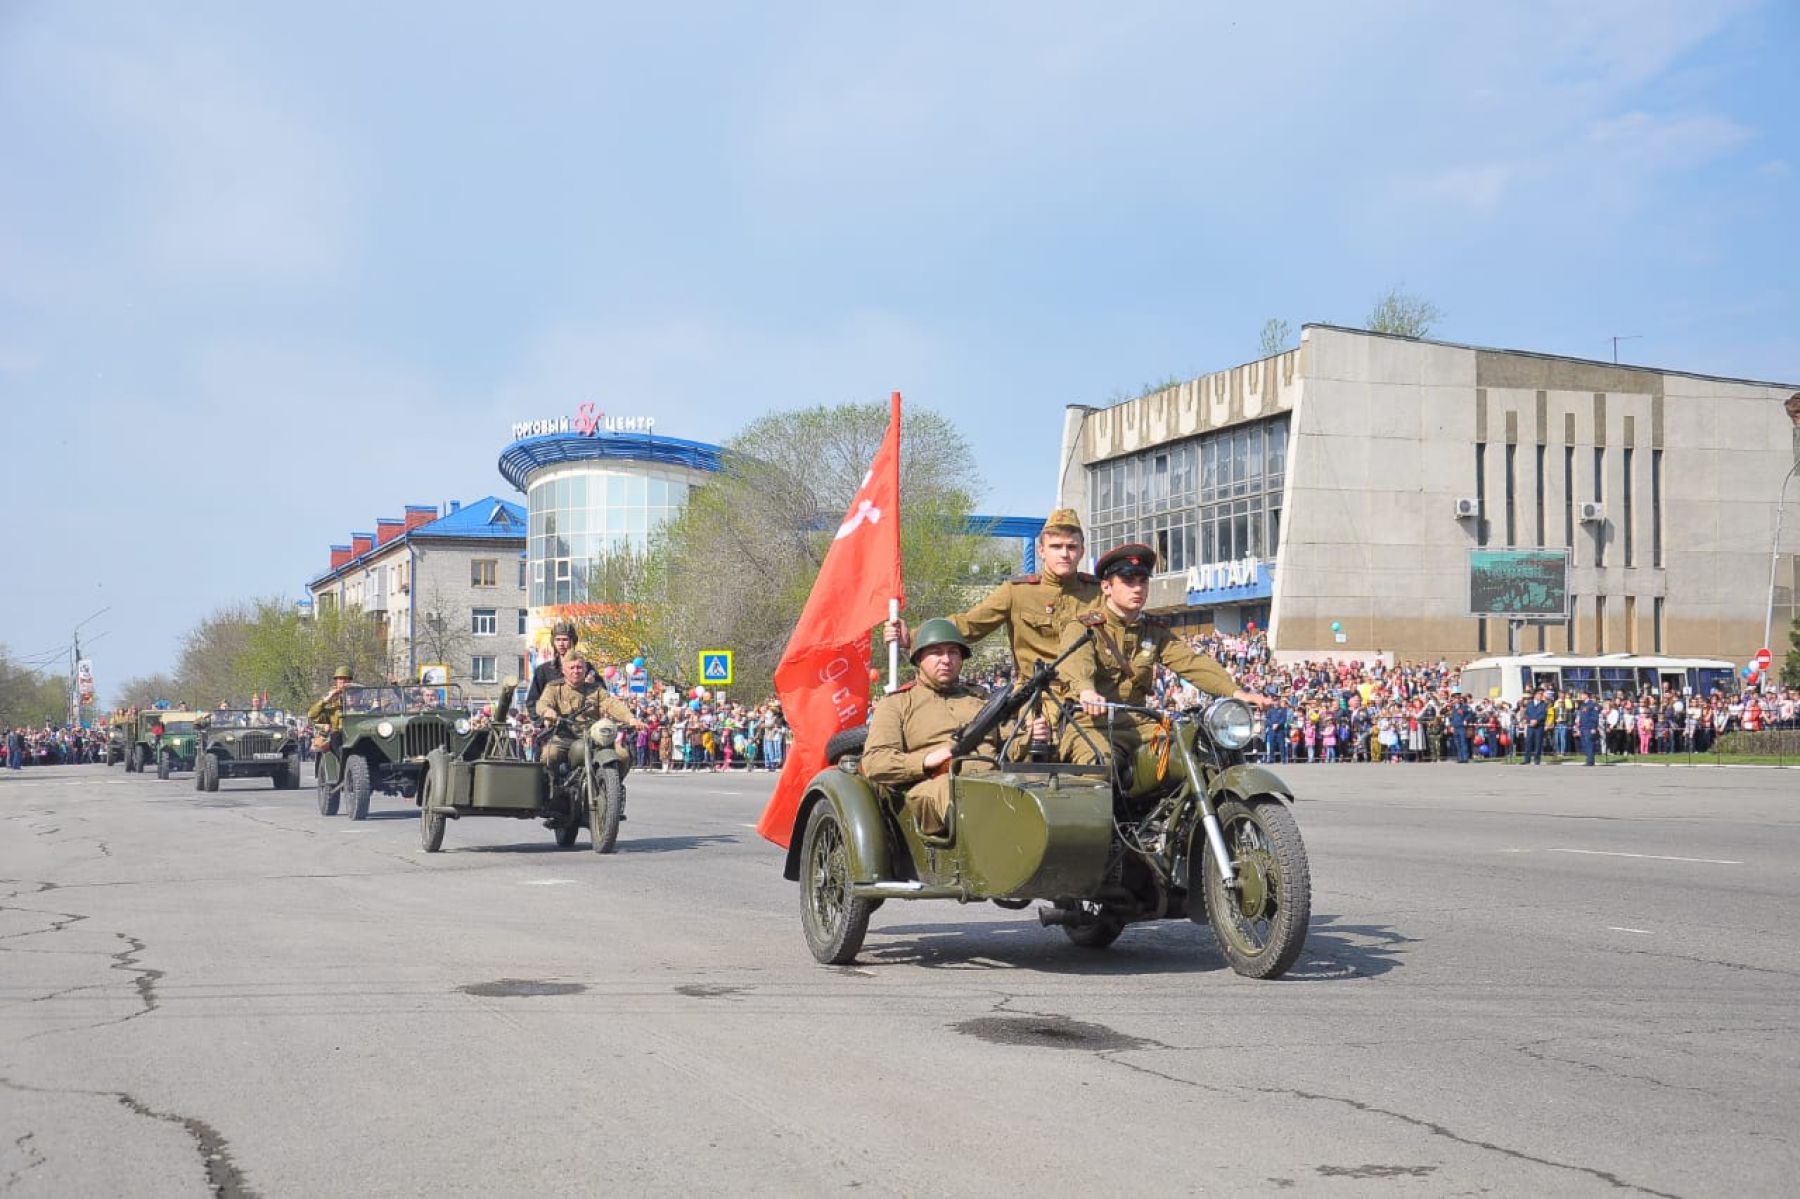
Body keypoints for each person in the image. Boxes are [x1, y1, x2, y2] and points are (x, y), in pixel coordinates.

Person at [1056, 543, 1270, 770]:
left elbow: (1191, 662)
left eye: (1142, 582)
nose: (1137, 589)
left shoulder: (1153, 630)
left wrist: (1236, 692)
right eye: (1128, 582)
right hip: (1090, 725)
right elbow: (1078, 662)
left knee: (1194, 758)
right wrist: (1086, 690)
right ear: (1107, 587)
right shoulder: (1084, 626)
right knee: (1099, 764)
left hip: (1140, 726)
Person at [862, 618, 1048, 837]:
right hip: (934, 787)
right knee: (957, 794)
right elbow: (875, 761)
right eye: (936, 652)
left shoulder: (981, 700)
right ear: (919, 658)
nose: (946, 660)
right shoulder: (897, 703)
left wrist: (1031, 737)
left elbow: (1010, 748)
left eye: (953, 652)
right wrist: (924, 761)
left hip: (992, 782)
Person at [534, 647, 643, 774]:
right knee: (549, 755)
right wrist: (547, 711)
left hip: (594, 737)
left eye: (579, 667)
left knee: (622, 755)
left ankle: (613, 789)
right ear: (564, 670)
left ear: (585, 669)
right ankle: (551, 790)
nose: (576, 671)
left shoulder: (596, 690)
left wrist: (630, 718)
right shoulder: (554, 688)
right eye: (572, 668)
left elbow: (612, 704)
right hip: (564, 738)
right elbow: (542, 703)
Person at [524, 620, 584, 712]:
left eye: (565, 640)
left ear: (572, 641)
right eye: (558, 640)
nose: (561, 644)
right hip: (554, 722)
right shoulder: (544, 670)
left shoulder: (585, 668)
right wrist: (544, 721)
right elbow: (532, 702)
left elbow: (601, 695)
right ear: (553, 642)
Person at [1522, 689, 1548, 765]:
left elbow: (1544, 715)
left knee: (1538, 743)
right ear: (1535, 695)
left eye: (1541, 694)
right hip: (1530, 726)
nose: (1540, 696)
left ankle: (1537, 759)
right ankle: (1527, 760)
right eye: (1539, 694)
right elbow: (1526, 714)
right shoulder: (1529, 704)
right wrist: (1530, 720)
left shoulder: (1544, 704)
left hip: (1539, 726)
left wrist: (1537, 720)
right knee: (1528, 743)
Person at [1577, 691, 1601, 766]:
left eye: (1582, 695)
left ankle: (1590, 761)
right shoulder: (1582, 705)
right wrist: (1578, 727)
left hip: (1589, 727)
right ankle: (1588, 759)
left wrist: (1594, 727)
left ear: (1586, 696)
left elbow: (1595, 716)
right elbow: (1581, 716)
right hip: (1583, 727)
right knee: (1584, 744)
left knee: (1589, 744)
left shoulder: (1592, 704)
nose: (1581, 696)